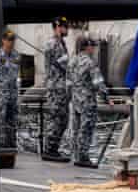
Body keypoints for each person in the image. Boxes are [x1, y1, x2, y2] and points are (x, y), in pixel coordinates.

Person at [68, 37, 113, 168]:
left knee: (76, 129)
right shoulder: (90, 62)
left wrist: (70, 97)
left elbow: (68, 82)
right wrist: (107, 98)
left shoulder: (72, 61)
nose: (94, 49)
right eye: (92, 46)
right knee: (86, 129)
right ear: (87, 47)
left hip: (75, 100)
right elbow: (98, 82)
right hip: (87, 101)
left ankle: (76, 155)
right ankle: (83, 157)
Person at [42, 17, 72, 162]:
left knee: (63, 119)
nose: (67, 29)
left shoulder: (60, 43)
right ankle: (49, 150)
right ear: (58, 27)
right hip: (56, 88)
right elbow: (66, 66)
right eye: (65, 26)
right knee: (56, 119)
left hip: (61, 87)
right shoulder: (53, 44)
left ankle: (53, 148)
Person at [0, 30, 21, 149]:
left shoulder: (16, 56)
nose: (11, 43)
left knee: (13, 119)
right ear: (3, 40)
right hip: (1, 93)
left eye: (12, 40)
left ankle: (11, 145)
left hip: (13, 93)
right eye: (9, 40)